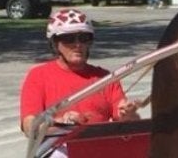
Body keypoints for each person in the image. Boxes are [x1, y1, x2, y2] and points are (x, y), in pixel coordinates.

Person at [20, 8, 141, 143]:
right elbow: (29, 126)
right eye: (68, 38)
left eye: (84, 38)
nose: (78, 45)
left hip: (99, 148)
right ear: (55, 43)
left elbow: (127, 122)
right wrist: (63, 124)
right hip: (57, 148)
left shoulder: (105, 78)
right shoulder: (38, 76)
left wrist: (129, 114)